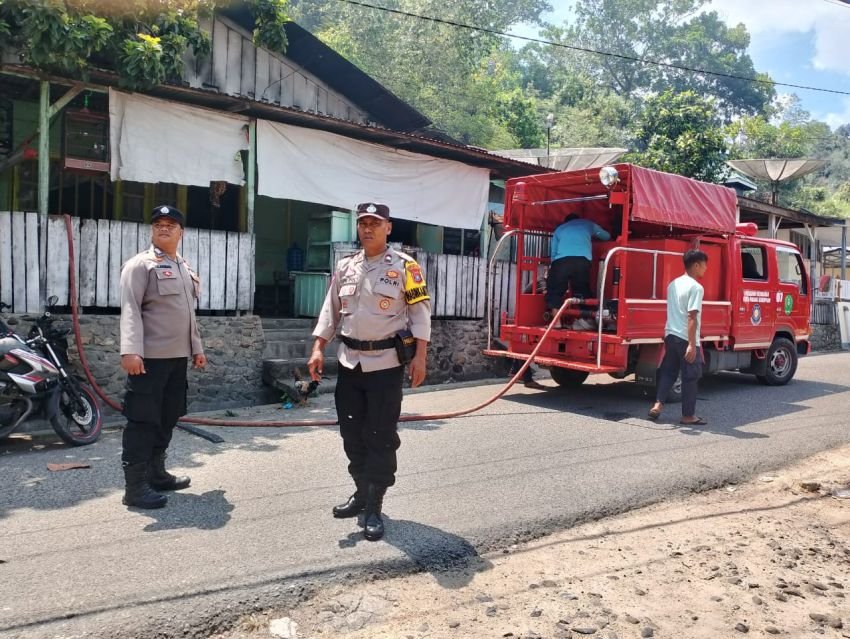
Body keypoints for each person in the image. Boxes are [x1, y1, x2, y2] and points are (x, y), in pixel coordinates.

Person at [308, 202, 431, 542]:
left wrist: (420, 357)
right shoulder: (346, 266)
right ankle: (361, 492)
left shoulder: (406, 267)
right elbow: (330, 311)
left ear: (388, 227)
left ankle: (375, 504)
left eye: (375, 223)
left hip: (385, 367)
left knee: (380, 435)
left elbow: (420, 314)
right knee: (351, 433)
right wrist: (318, 347)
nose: (368, 228)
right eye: (363, 223)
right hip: (350, 363)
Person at [119, 205, 206, 509]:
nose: (164, 228)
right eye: (158, 224)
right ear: (152, 230)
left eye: (171, 224)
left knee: (168, 416)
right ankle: (135, 486)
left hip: (177, 359)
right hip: (149, 360)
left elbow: (188, 315)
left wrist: (197, 348)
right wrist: (131, 350)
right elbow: (130, 309)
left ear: (181, 232)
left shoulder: (183, 267)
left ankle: (156, 473)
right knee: (142, 420)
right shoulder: (139, 265)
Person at [648, 249, 709, 426]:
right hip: (685, 337)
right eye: (704, 265)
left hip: (670, 335)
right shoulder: (696, 287)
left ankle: (658, 405)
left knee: (668, 371)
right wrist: (691, 344)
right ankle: (688, 416)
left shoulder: (673, 284)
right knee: (691, 376)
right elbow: (692, 317)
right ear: (696, 265)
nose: (705, 269)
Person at [545, 213, 611, 313]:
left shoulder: (560, 229)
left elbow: (553, 253)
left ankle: (556, 323)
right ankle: (586, 320)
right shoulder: (588, 224)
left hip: (562, 261)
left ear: (566, 222)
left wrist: (554, 270)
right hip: (582, 261)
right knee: (582, 290)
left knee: (555, 290)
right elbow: (606, 236)